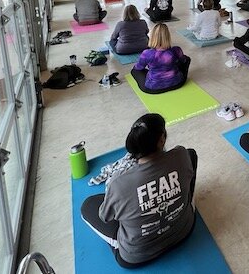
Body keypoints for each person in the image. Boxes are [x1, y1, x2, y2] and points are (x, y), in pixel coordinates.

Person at [80, 113, 197, 268]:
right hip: (184, 230)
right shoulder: (180, 154)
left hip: (136, 256)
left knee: (88, 205)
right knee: (191, 154)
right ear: (162, 139)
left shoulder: (119, 183)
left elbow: (105, 216)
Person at [132, 24, 191, 94]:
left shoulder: (147, 53)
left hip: (153, 87)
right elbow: (184, 60)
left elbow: (138, 68)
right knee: (185, 60)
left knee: (134, 70)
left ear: (152, 37)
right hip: (177, 83)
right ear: (168, 36)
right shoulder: (176, 50)